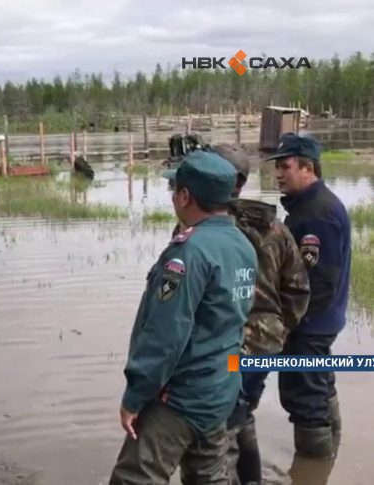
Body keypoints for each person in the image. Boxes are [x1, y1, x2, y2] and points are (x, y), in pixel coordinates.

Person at [109, 151, 258, 485]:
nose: (173, 195)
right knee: (209, 478)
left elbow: (165, 335)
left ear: (186, 196)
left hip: (179, 398)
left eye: (174, 188)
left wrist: (135, 396)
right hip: (220, 393)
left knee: (134, 478)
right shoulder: (243, 246)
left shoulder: (189, 253)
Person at [208, 144, 310, 485]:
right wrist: (277, 331)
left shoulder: (202, 228)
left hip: (223, 350)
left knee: (219, 429)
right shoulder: (275, 228)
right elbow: (297, 291)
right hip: (264, 345)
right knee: (242, 415)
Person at [262, 132, 350, 460]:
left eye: (285, 166)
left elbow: (320, 283)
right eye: (277, 167)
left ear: (307, 168)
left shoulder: (316, 213)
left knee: (304, 395)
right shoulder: (310, 205)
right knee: (319, 385)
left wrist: (290, 325)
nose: (278, 174)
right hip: (319, 323)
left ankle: (313, 468)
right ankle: (330, 458)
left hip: (310, 325)